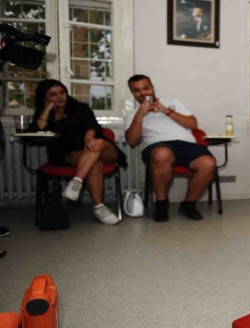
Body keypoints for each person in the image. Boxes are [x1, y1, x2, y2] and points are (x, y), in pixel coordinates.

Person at [29, 79, 125, 225]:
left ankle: (76, 182)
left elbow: (92, 125)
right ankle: (99, 208)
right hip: (68, 154)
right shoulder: (44, 116)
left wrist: (89, 138)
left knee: (98, 144)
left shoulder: (79, 108)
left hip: (101, 148)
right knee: (94, 162)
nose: (60, 97)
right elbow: (37, 133)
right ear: (44, 98)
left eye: (62, 92)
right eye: (53, 94)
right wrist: (47, 110)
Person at [125, 74, 216, 222]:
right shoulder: (132, 114)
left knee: (208, 163)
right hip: (157, 146)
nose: (143, 93)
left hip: (185, 145)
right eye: (137, 90)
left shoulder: (173, 102)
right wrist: (140, 115)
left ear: (152, 88)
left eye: (146, 88)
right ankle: (161, 203)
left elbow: (193, 124)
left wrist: (167, 111)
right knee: (162, 154)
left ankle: (189, 204)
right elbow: (132, 141)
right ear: (133, 94)